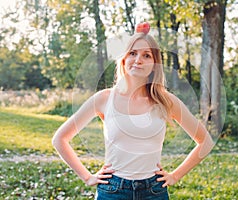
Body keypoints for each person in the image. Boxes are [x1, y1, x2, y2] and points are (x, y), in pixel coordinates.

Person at [52, 22, 214, 200]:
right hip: (113, 190)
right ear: (123, 59)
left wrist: (175, 176)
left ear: (155, 64)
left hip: (154, 191)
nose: (138, 60)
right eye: (133, 53)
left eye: (146, 55)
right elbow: (60, 139)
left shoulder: (166, 101)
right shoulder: (104, 99)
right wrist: (88, 177)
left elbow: (205, 141)